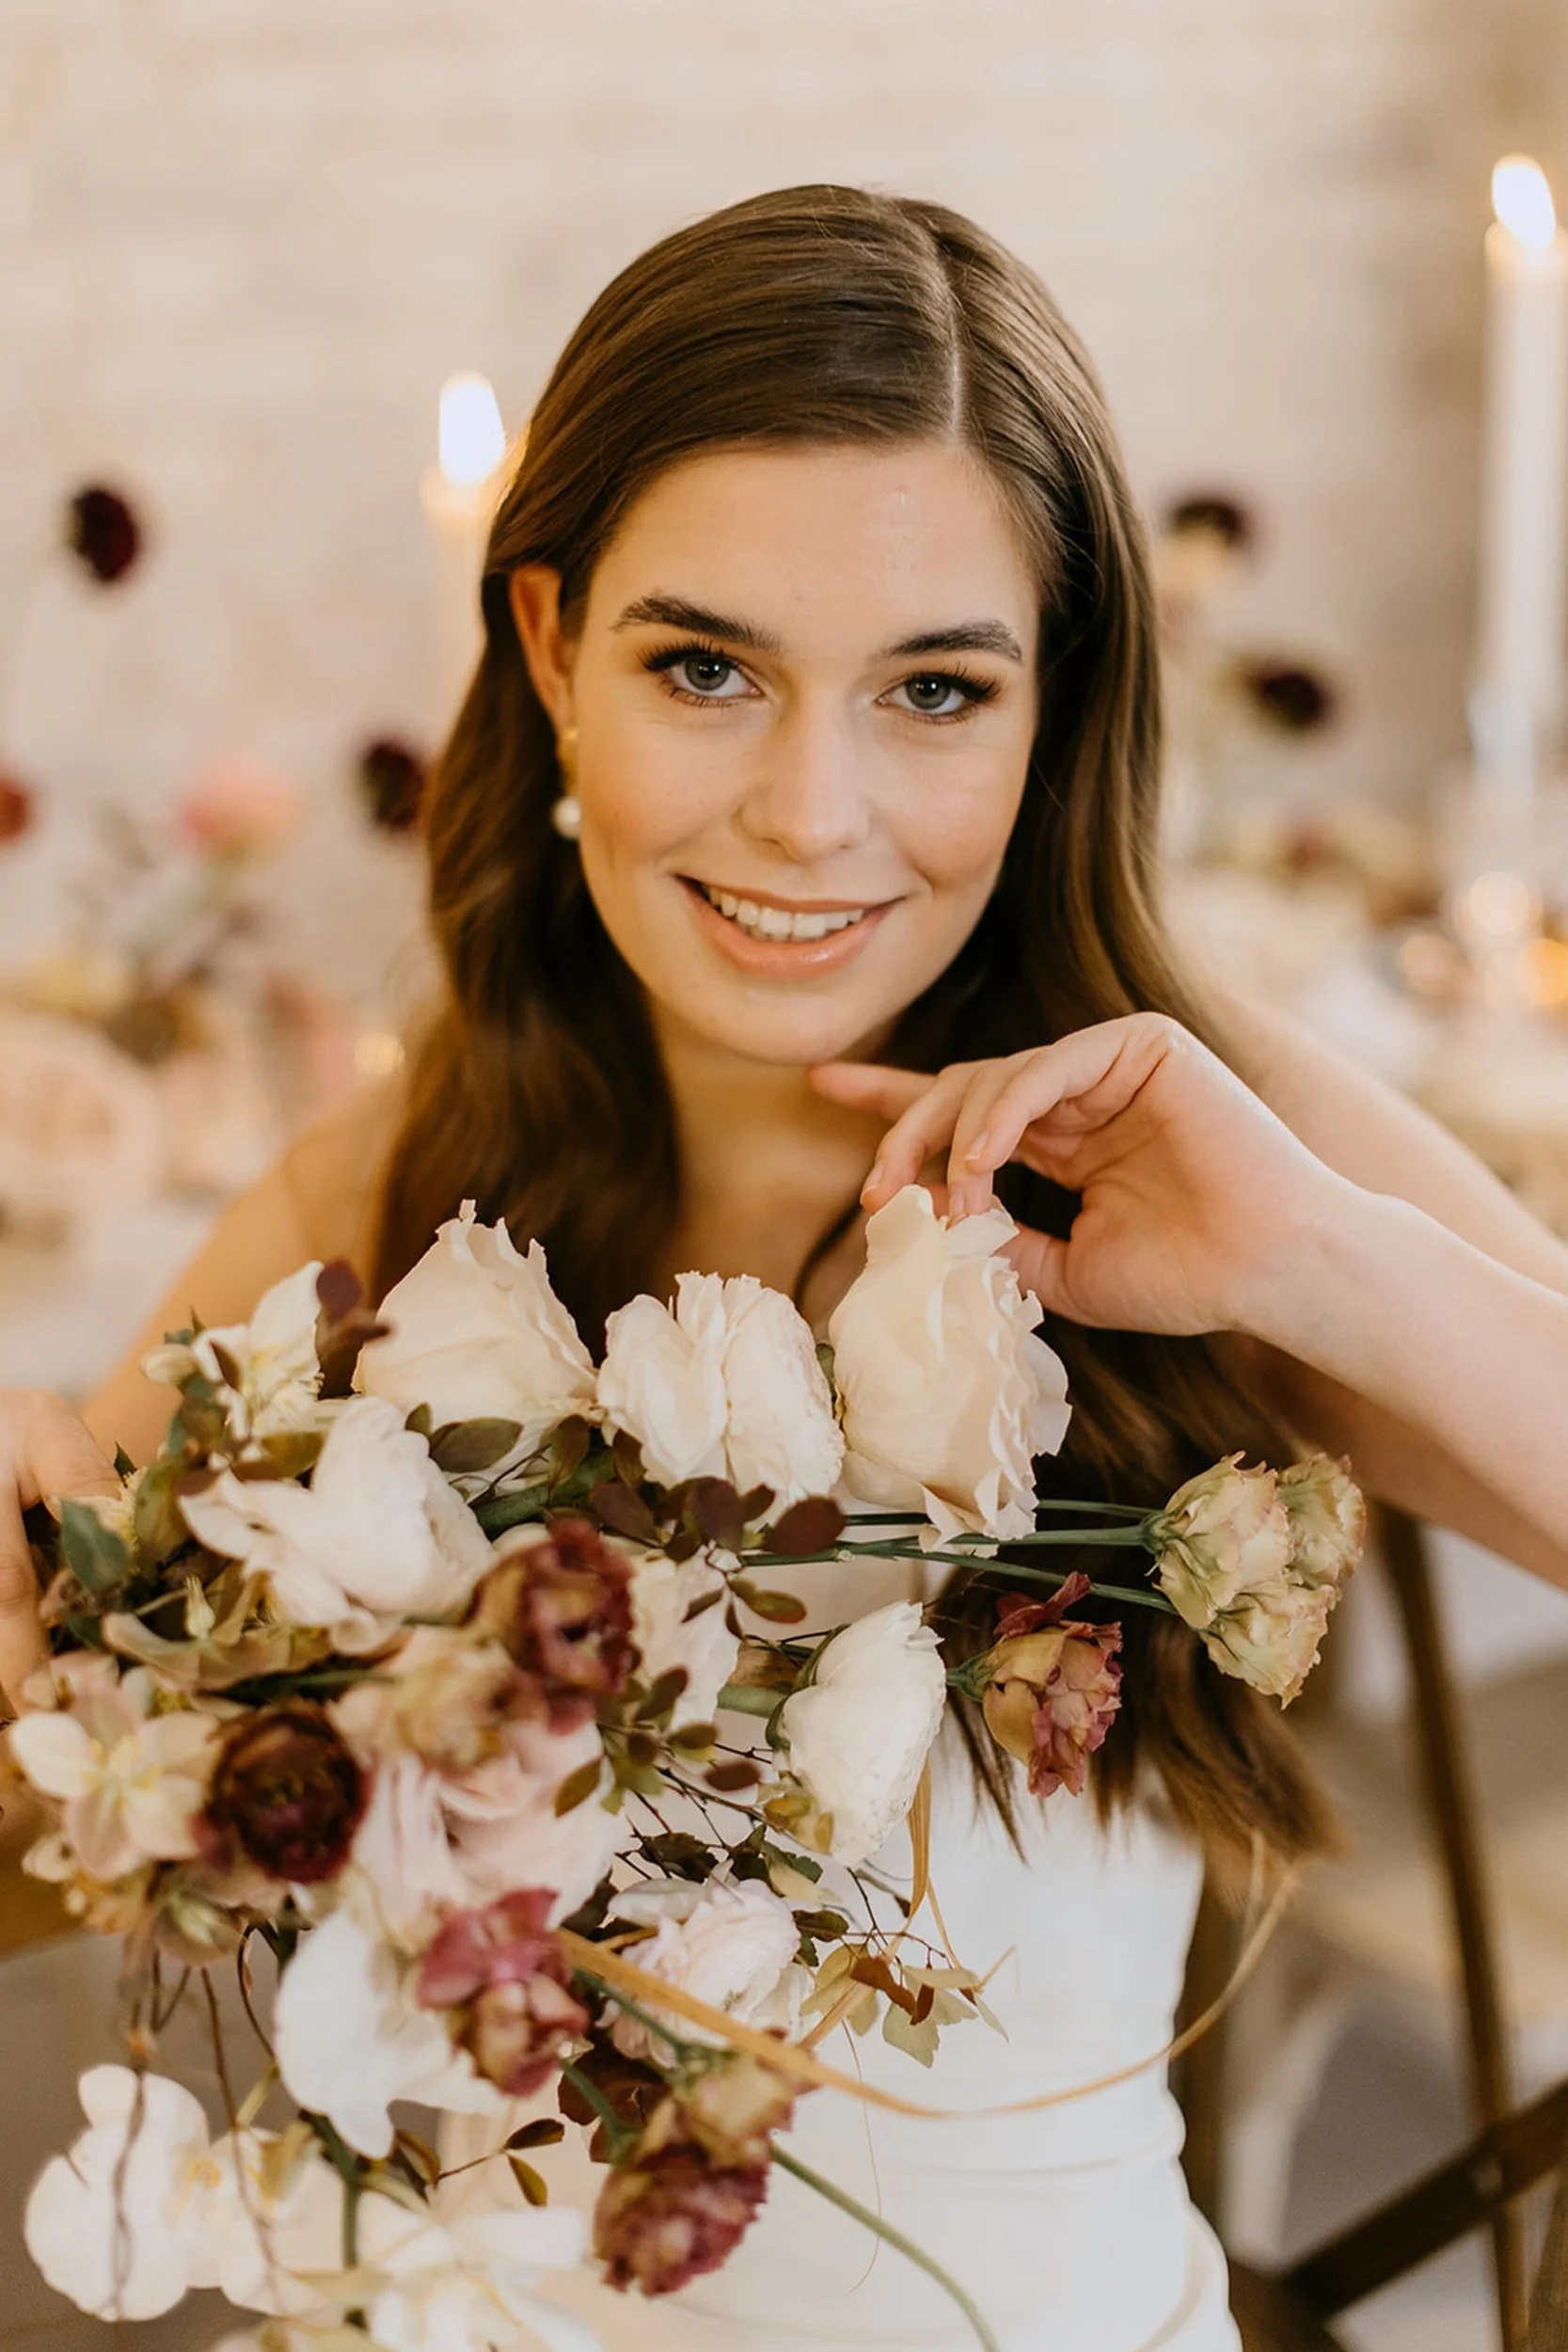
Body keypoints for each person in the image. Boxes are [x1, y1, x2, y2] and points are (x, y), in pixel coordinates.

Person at [4, 185, 1568, 2350]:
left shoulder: (1200, 1122)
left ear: (1055, 708)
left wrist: (1309, 1254)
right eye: (705, 666)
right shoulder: (406, 1170)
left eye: (932, 688)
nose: (810, 812)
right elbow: (68, 1666)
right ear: (551, 650)